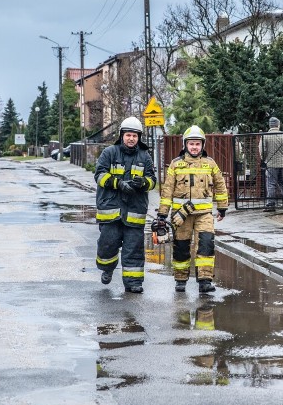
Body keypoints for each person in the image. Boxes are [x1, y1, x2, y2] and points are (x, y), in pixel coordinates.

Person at [156, 125, 229, 293]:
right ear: (185, 145)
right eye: (191, 144)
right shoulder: (176, 165)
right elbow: (167, 190)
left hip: (204, 215)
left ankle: (204, 281)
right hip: (181, 216)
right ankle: (180, 280)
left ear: (203, 145)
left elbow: (220, 185)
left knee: (205, 245)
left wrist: (222, 207)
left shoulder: (210, 164)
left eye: (197, 144)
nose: (194, 147)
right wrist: (162, 213)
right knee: (181, 247)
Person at [93, 116, 157, 293]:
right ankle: (107, 268)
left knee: (133, 249)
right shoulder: (109, 153)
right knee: (108, 244)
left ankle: (133, 282)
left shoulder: (145, 156)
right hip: (111, 210)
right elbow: (99, 175)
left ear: (139, 138)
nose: (131, 138)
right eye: (128, 135)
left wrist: (143, 183)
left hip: (134, 211)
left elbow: (153, 180)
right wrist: (118, 183)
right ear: (121, 135)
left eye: (135, 136)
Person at [259, 116, 283, 212]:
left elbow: (262, 150)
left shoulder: (265, 136)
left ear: (270, 125)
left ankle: (271, 204)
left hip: (271, 164)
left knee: (271, 184)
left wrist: (264, 159)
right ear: (278, 125)